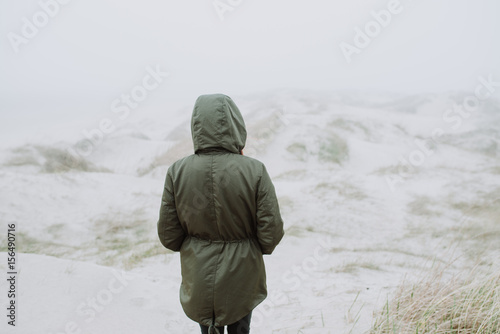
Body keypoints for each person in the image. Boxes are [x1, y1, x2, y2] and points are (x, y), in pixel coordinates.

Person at [157, 94, 284, 334]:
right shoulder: (254, 170)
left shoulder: (178, 171)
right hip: (243, 277)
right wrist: (252, 249)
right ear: (236, 124)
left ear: (197, 126)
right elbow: (271, 231)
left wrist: (196, 246)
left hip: (199, 277)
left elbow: (168, 235)